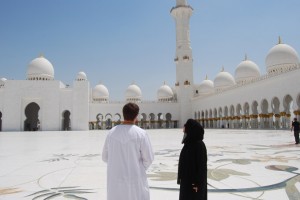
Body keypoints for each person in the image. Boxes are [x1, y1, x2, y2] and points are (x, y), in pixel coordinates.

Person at [102, 102, 154, 200]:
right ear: (136, 116)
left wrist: (117, 164)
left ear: (123, 114)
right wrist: (137, 169)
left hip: (115, 180)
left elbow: (104, 157)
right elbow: (149, 159)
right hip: (135, 179)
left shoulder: (111, 133)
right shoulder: (141, 134)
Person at [177, 119, 207, 200]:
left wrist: (196, 184)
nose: (183, 128)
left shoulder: (199, 145)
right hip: (187, 181)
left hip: (194, 183)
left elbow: (201, 167)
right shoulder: (189, 143)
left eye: (185, 126)